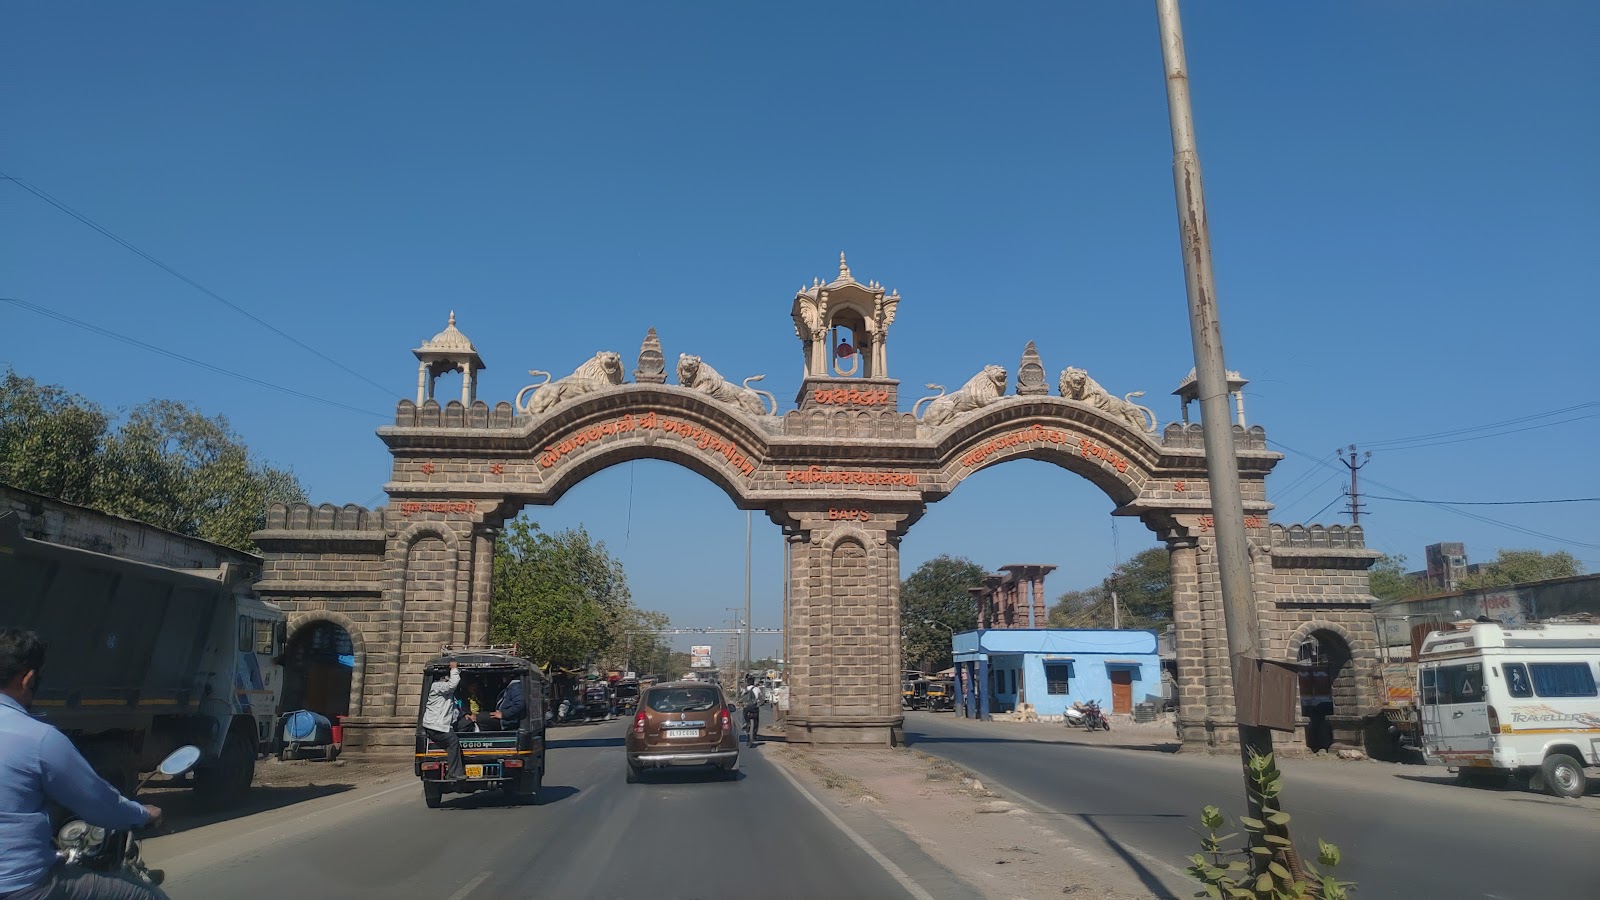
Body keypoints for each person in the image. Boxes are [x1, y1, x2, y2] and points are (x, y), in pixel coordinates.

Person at [0, 628, 167, 900]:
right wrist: (144, 814)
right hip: (21, 886)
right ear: (28, 678)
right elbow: (101, 806)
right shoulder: (40, 739)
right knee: (147, 896)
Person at [421, 661, 465, 780]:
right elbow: (452, 684)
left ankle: (454, 771)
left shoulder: (444, 693)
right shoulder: (438, 686)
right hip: (435, 725)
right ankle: (454, 772)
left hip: (439, 724)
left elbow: (452, 711)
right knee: (453, 741)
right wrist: (454, 669)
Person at [740, 679, 761, 747]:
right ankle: (755, 733)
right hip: (755, 707)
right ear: (753, 682)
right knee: (757, 719)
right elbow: (761, 697)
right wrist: (761, 702)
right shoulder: (757, 689)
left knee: (744, 713)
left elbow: (742, 697)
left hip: (747, 707)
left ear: (747, 683)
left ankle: (744, 723)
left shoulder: (745, 689)